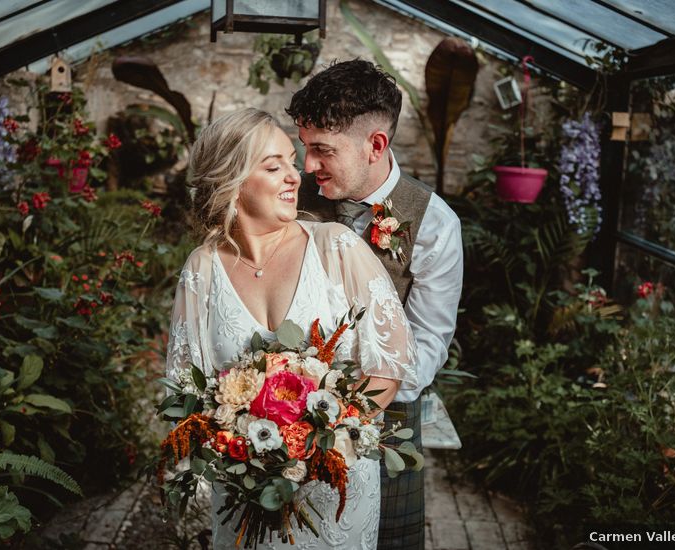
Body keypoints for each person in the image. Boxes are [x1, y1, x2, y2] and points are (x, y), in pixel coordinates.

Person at [166, 107, 419, 549]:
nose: (294, 175)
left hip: (335, 490)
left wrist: (317, 449)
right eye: (273, 165)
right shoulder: (202, 269)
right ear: (233, 180)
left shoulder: (337, 248)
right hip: (244, 494)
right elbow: (187, 391)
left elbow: (387, 367)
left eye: (290, 160)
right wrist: (249, 458)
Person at [287, 59, 465, 550]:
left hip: (383, 422)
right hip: (280, 406)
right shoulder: (292, 198)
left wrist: (344, 406)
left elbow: (426, 346)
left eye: (322, 150)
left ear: (376, 146)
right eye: (305, 147)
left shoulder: (434, 223)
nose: (307, 166)